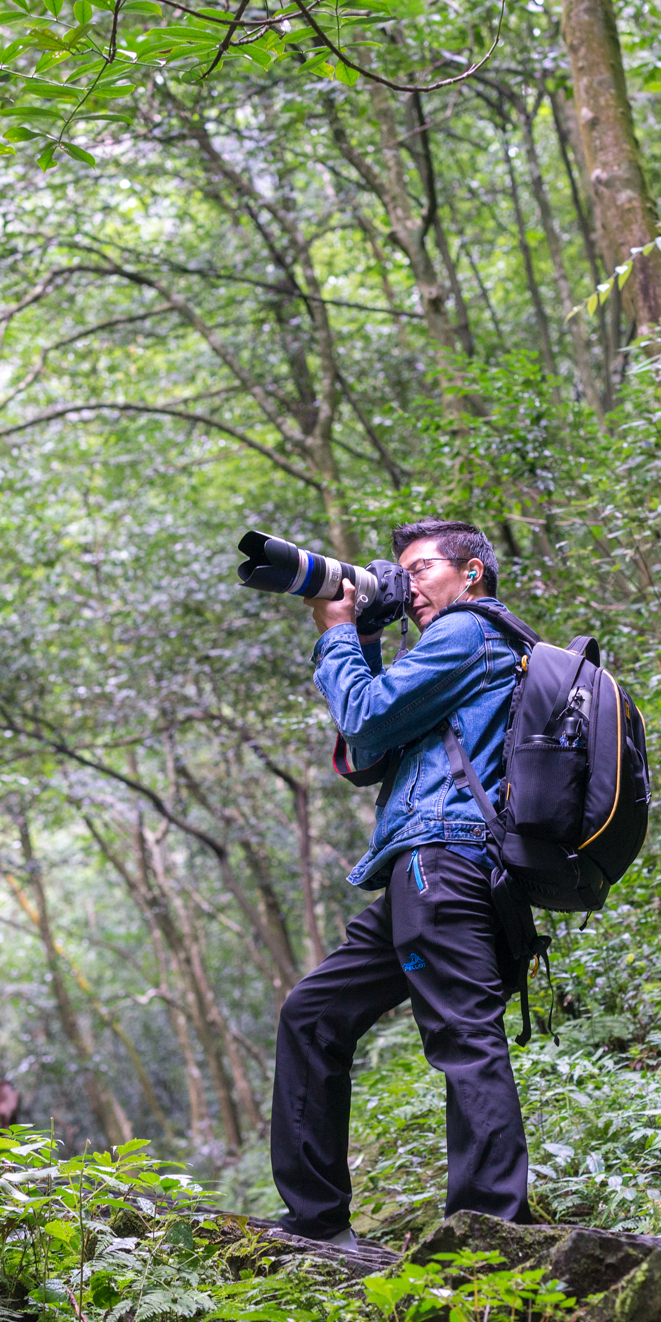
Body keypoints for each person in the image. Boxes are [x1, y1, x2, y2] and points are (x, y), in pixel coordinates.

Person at [269, 518, 530, 1247]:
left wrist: (336, 631)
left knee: (463, 1035)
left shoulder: (469, 632)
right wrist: (369, 636)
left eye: (420, 570)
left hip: (442, 862)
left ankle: (491, 1230)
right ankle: (315, 1219)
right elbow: (368, 752)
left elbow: (365, 712)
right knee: (313, 1013)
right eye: (402, 572)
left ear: (471, 572)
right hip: (427, 867)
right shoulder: (468, 649)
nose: (408, 585)